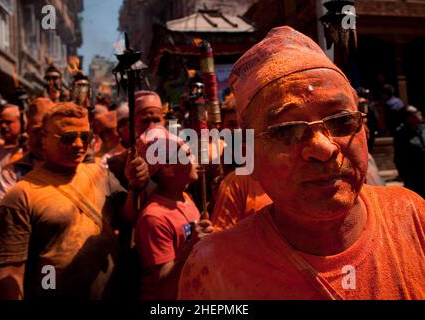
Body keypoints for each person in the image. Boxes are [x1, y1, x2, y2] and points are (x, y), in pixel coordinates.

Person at [178, 26, 425, 300]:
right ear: (249, 154)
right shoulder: (215, 268)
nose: (323, 148)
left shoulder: (411, 214)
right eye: (286, 130)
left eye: (342, 121)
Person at [0, 102, 129, 299]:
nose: (79, 144)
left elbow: (128, 215)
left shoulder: (101, 174)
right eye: (68, 138)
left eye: (85, 137)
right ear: (45, 138)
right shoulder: (22, 195)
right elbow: (10, 273)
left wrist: (137, 183)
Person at [134, 125, 213, 299]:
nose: (193, 158)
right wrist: (193, 244)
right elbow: (164, 288)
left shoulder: (184, 197)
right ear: (168, 168)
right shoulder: (154, 218)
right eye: (186, 155)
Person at [0, 98, 54, 218]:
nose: (43, 138)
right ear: (28, 130)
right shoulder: (12, 172)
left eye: (48, 132)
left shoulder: (71, 166)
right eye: (37, 131)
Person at [394, 105, 425, 197]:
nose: (419, 114)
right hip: (414, 177)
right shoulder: (401, 134)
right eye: (415, 113)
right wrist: (404, 175)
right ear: (408, 118)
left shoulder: (423, 129)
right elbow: (399, 157)